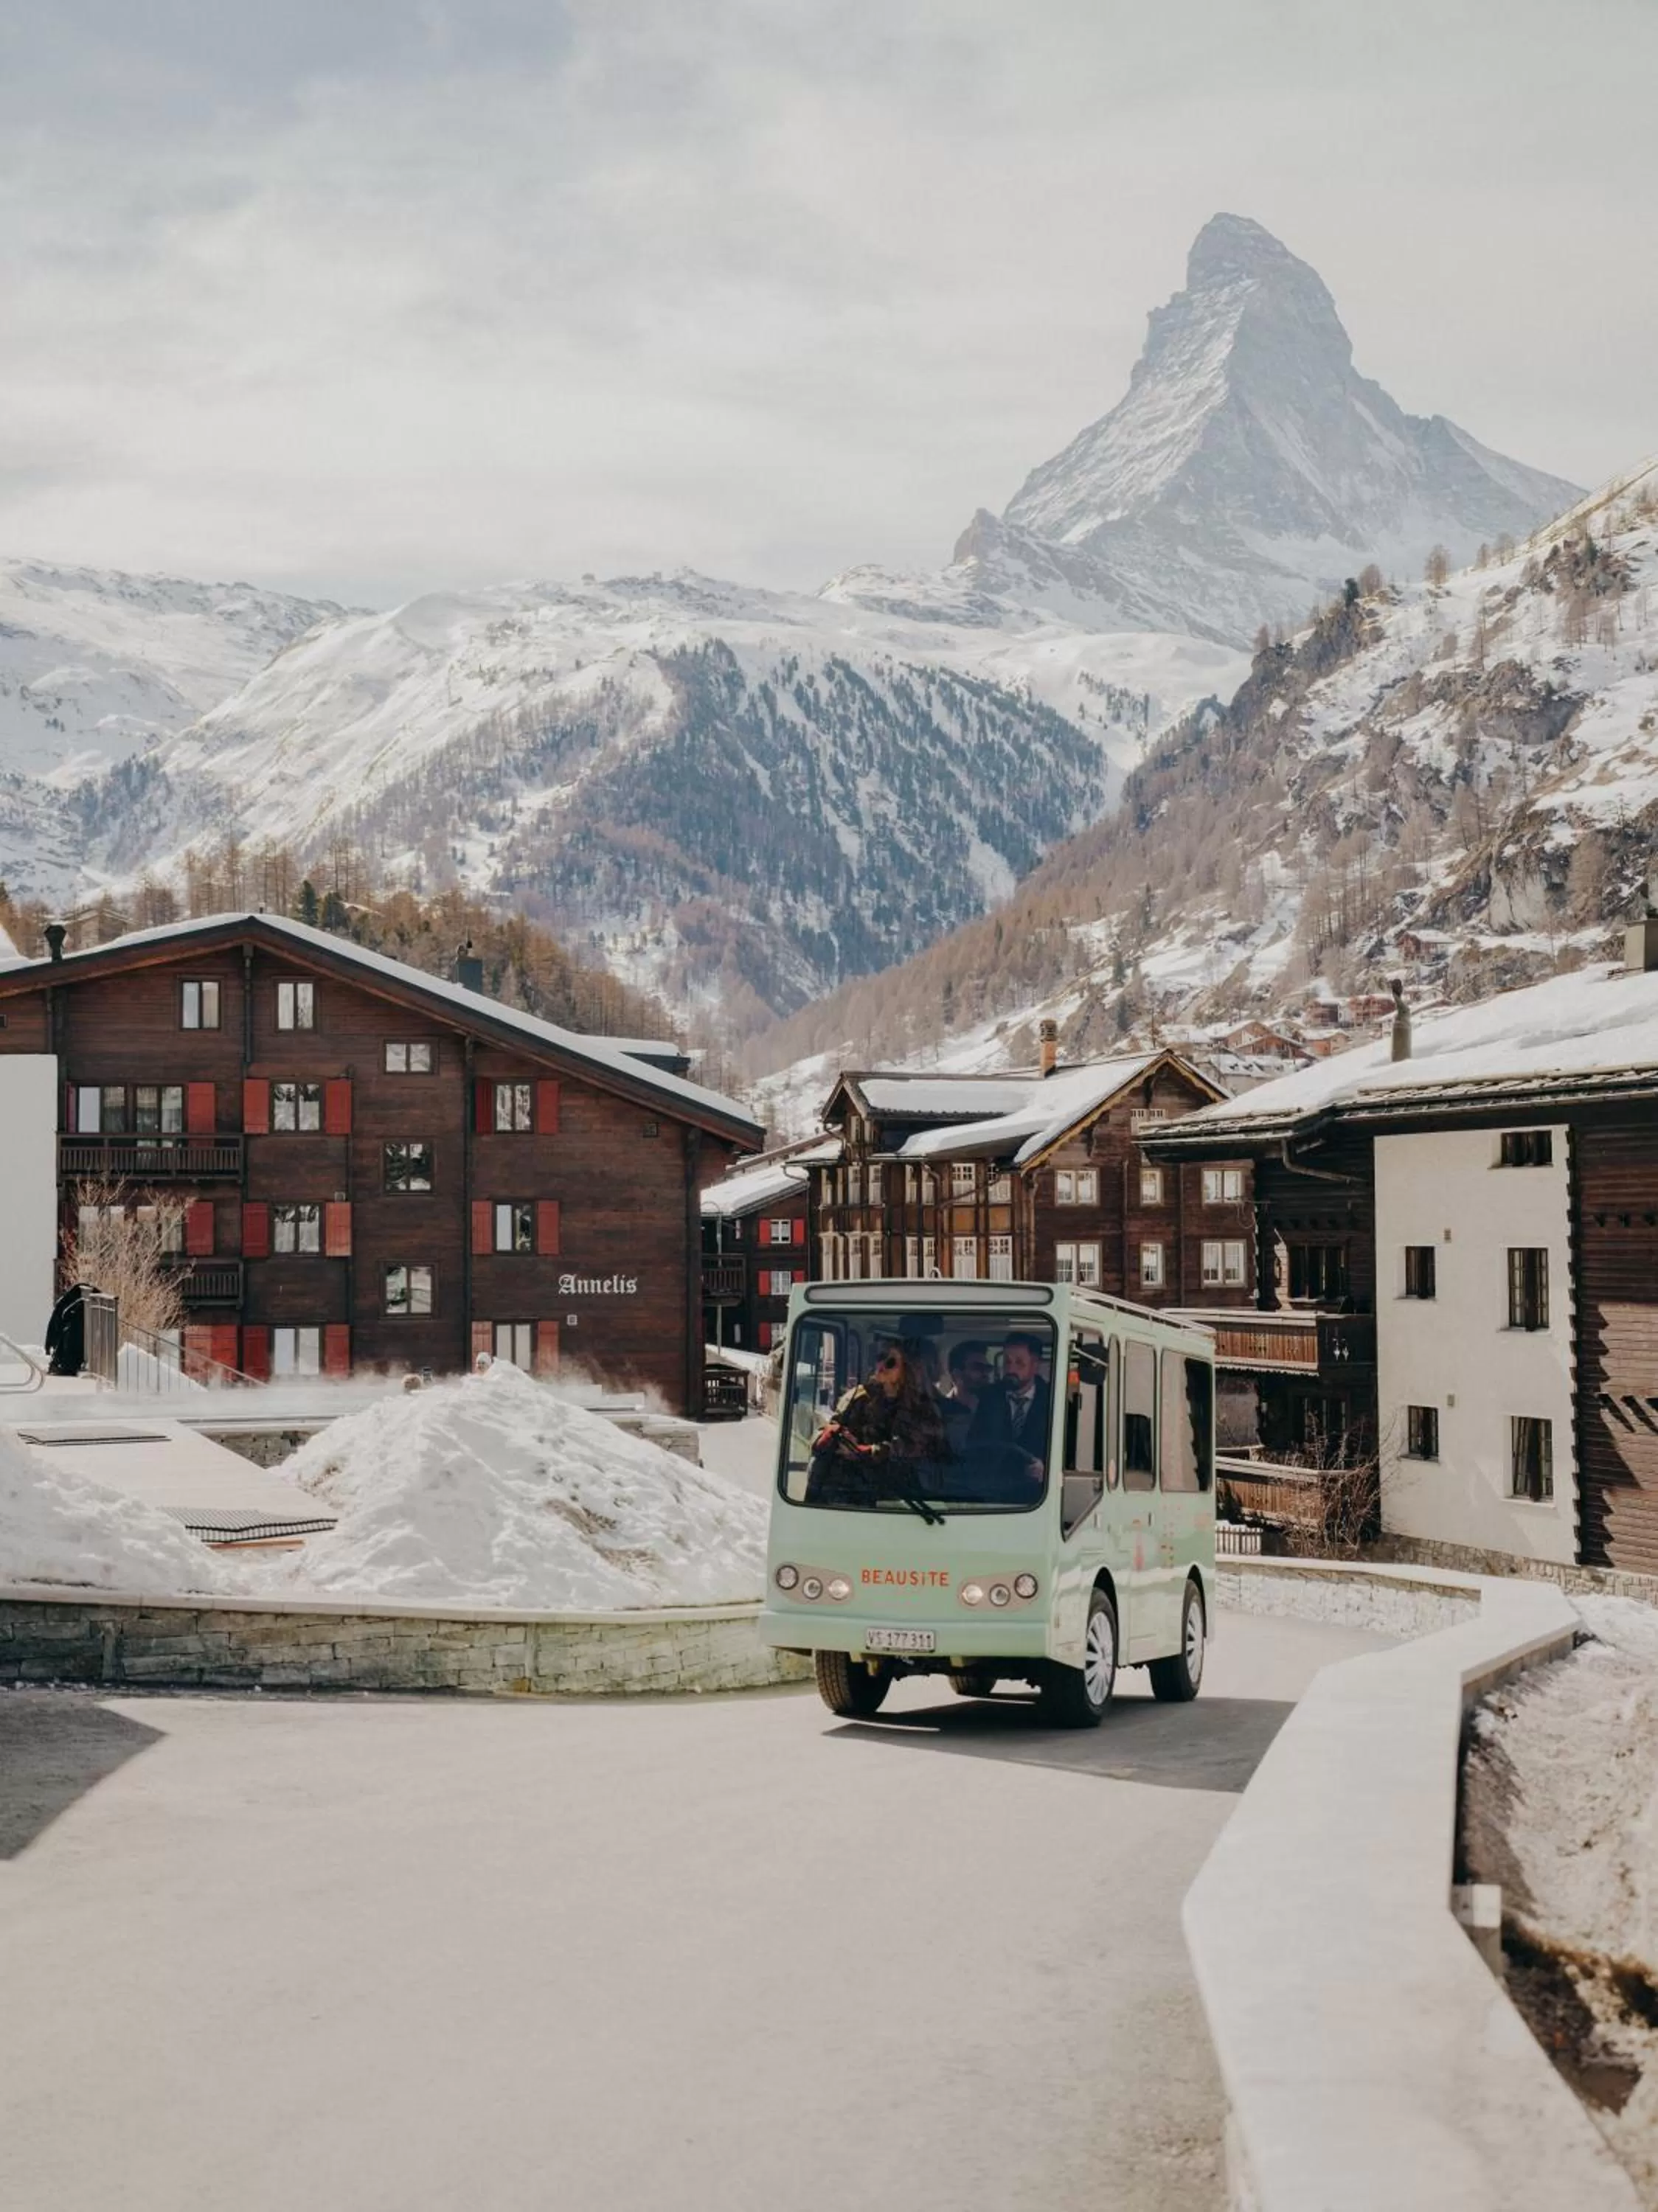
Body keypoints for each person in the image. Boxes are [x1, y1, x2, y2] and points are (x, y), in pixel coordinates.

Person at [805, 1340, 949, 1504]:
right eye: (880, 1358)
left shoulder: (922, 1407)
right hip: (853, 1489)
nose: (882, 1365)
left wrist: (868, 1451)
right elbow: (830, 1428)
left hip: (899, 1494)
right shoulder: (858, 1396)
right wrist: (828, 1437)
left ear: (907, 1368)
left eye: (891, 1362)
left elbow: (918, 1447)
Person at [968, 1332, 1052, 1455]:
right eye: (1007, 1362)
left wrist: (1044, 1467)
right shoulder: (988, 1398)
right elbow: (974, 1444)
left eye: (1019, 1363)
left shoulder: (1053, 1400)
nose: (1011, 1370)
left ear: (1035, 1365)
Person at [940, 1340, 991, 1451]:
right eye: (978, 1368)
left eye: (987, 1369)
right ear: (957, 1374)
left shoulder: (996, 1411)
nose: (985, 1374)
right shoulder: (939, 1413)